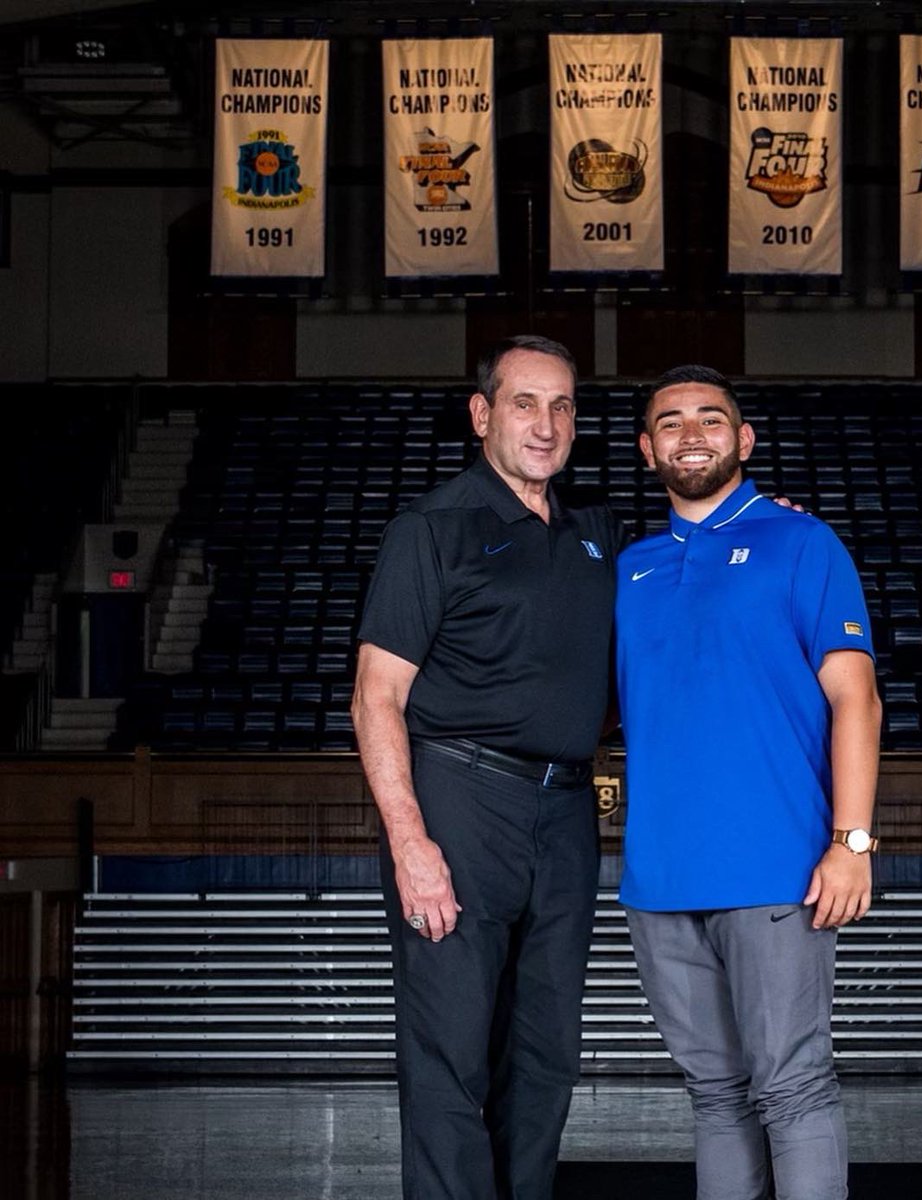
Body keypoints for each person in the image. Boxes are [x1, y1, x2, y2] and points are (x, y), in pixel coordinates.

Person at [352, 335, 625, 1200]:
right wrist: (411, 843)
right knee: (452, 1052)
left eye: (562, 406)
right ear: (481, 415)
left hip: (568, 814)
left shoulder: (596, 537)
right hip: (462, 802)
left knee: (545, 1053)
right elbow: (376, 697)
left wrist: (780, 521)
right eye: (524, 403)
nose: (545, 425)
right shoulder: (431, 531)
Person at [614, 364, 882, 1200]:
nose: (691, 433)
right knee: (716, 1095)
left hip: (775, 869)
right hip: (658, 881)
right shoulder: (629, 568)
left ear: (745, 439)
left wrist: (852, 842)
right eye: (671, 421)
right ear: (645, 447)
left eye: (710, 418)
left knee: (792, 1086)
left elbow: (857, 698)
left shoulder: (802, 542)